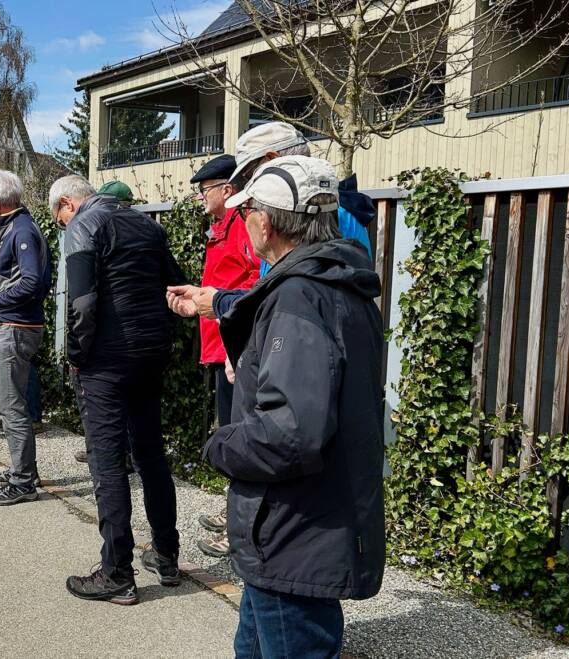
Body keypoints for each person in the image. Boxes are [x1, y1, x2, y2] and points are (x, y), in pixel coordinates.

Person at [202, 155, 384, 656]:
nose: (243, 223)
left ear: (264, 221)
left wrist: (220, 443)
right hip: (294, 531)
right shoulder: (340, 284)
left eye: (246, 212)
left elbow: (289, 434)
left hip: (292, 534)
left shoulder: (301, 297)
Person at [49, 174, 186, 604]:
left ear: (68, 204)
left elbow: (83, 302)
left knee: (107, 463)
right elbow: (176, 284)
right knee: (149, 455)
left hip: (106, 359)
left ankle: (117, 573)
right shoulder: (146, 224)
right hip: (150, 351)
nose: (60, 225)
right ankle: (166, 555)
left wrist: (75, 352)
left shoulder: (83, 227)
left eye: (58, 217)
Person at [169, 121, 375, 321]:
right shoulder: (326, 208)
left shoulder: (318, 212)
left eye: (249, 174)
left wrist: (219, 302)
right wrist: (214, 300)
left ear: (272, 159)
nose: (247, 185)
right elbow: (273, 295)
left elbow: (290, 305)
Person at [188, 154, 261, 560]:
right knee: (232, 431)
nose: (201, 197)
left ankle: (239, 527)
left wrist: (238, 343)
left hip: (234, 347)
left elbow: (255, 283)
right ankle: (233, 510)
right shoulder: (223, 228)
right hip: (220, 347)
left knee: (239, 435)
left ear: (227, 190)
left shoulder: (242, 229)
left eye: (205, 190)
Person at [0, 170, 53, 506]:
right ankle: (25, 470)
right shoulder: (23, 225)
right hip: (22, 325)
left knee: (12, 407)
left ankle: (23, 481)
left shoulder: (20, 229)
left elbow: (31, 281)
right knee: (16, 404)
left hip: (15, 327)